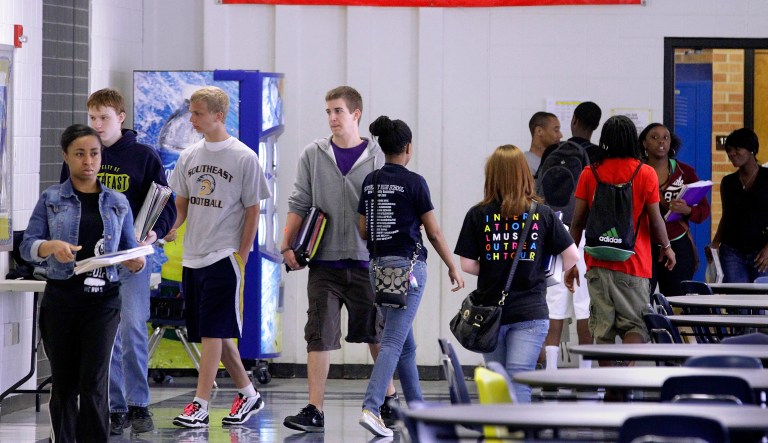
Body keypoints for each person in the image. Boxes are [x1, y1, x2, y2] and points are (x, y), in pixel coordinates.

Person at [59, 88, 177, 435]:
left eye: (104, 118)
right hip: (94, 258)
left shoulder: (143, 156)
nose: (97, 125)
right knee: (104, 334)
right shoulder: (82, 154)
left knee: (133, 327)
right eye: (92, 118)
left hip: (131, 258)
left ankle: (139, 403)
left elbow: (165, 204)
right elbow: (64, 199)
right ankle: (115, 406)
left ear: (120, 118)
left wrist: (155, 232)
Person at [281, 86, 396, 433]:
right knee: (318, 335)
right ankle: (315, 409)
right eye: (328, 111)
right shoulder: (313, 155)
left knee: (376, 335)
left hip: (366, 264)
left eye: (338, 111)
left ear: (356, 114)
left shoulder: (378, 157)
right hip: (324, 264)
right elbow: (299, 202)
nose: (332, 118)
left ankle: (389, 400)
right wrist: (286, 246)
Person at [21, 124, 145, 442]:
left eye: (94, 153)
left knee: (93, 381)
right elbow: (27, 246)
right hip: (62, 298)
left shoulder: (117, 202)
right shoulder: (51, 199)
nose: (88, 161)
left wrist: (137, 260)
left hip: (103, 301)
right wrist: (49, 247)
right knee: (64, 384)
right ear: (66, 157)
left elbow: (130, 251)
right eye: (79, 154)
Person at [167, 86, 271, 428]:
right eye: (191, 113)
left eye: (198, 113)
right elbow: (181, 207)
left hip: (224, 256)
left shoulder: (243, 158)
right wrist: (168, 229)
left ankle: (200, 403)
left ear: (218, 116)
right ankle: (248, 392)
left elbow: (254, 211)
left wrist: (241, 255)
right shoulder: (189, 157)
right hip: (193, 255)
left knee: (213, 330)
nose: (193, 119)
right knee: (218, 332)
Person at [356, 116, 464, 437]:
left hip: (378, 269)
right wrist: (452, 266)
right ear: (408, 148)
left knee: (404, 345)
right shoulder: (415, 182)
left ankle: (417, 410)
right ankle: (372, 407)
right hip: (407, 270)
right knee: (392, 339)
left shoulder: (371, 181)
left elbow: (363, 228)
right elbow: (433, 231)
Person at [455, 144, 579, 402]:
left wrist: (492, 268)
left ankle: (499, 436)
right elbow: (572, 257)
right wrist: (536, 270)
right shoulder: (542, 214)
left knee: (497, 383)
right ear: (524, 174)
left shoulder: (478, 214)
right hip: (531, 311)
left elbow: (466, 264)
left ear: (492, 176)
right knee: (520, 380)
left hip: (490, 313)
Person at [565, 116, 675, 366]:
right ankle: (624, 376)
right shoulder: (644, 173)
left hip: (597, 262)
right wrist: (667, 247)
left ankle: (610, 387)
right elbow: (656, 220)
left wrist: (571, 262)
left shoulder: (589, 172)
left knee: (602, 330)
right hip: (634, 264)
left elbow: (577, 222)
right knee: (637, 325)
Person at [537, 101, 602, 370]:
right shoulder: (599, 156)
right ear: (596, 125)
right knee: (584, 308)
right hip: (584, 234)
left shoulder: (552, 151)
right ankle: (586, 378)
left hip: (554, 232)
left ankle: (552, 375)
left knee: (555, 311)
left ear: (574, 120)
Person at [641, 123, 710, 297]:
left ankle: (672, 326)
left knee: (676, 300)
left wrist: (687, 210)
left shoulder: (684, 172)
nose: (661, 142)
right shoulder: (637, 171)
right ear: (644, 143)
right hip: (643, 243)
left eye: (666, 137)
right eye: (654, 137)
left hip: (677, 243)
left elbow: (704, 211)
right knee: (640, 300)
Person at [712, 128, 768, 282]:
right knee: (735, 301)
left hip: (761, 249)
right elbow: (726, 216)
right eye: (729, 150)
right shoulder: (728, 182)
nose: (732, 153)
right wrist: (715, 242)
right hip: (732, 250)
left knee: (761, 302)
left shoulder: (766, 177)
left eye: (737, 148)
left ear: (752, 150)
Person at [525, 111, 562, 175]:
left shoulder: (554, 162)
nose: (561, 135)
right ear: (539, 131)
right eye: (556, 130)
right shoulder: (525, 164)